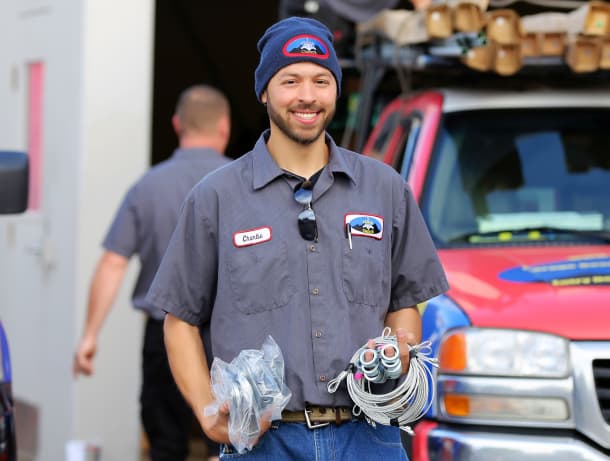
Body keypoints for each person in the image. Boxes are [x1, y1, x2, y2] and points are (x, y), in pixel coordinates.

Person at [146, 17, 449, 460]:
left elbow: (405, 300)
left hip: (370, 440)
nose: (307, 96)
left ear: (336, 91)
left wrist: (398, 352)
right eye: (290, 80)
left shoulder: (385, 189)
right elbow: (180, 320)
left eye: (320, 80)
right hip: (265, 444)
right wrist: (207, 412)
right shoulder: (215, 198)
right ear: (264, 91)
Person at [73, 84, 232, 461]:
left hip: (164, 338)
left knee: (166, 443)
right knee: (231, 442)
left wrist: (89, 337)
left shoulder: (147, 186)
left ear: (177, 124)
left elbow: (113, 261)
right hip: (230, 335)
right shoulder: (243, 184)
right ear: (224, 127)